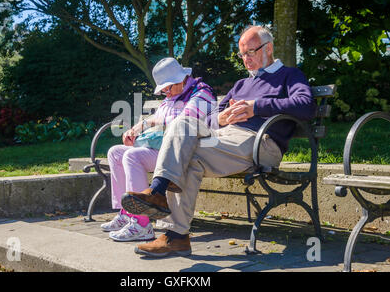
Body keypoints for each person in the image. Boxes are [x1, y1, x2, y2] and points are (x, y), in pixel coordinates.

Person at [121, 25, 317, 257]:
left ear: (269, 48)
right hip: (224, 139)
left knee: (186, 152)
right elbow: (211, 118)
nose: (246, 59)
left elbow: (306, 106)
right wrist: (221, 118)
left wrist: (256, 107)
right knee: (185, 137)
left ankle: (158, 194)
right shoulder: (242, 85)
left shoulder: (289, 75)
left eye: (250, 53)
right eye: (242, 55)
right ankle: (176, 236)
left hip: (261, 142)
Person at [101, 57, 216, 242]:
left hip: (185, 153)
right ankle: (127, 213)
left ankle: (142, 224)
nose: (165, 92)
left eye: (167, 87)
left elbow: (183, 123)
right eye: (162, 89)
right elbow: (156, 117)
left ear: (181, 79)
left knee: (132, 156)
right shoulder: (172, 96)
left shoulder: (201, 94)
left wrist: (152, 132)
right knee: (115, 153)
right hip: (165, 147)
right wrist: (137, 129)